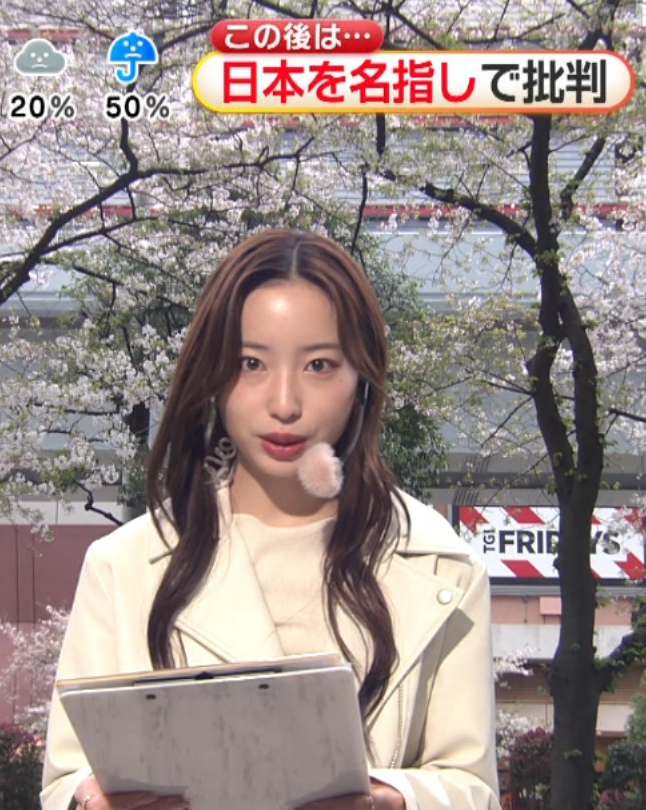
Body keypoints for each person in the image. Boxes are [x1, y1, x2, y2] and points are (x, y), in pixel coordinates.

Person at [40, 229, 500, 810]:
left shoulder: (443, 566)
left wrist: (390, 799)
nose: (285, 403)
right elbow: (66, 779)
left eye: (319, 365)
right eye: (251, 363)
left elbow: (472, 785)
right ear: (212, 376)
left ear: (362, 379)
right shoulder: (122, 566)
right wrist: (89, 799)